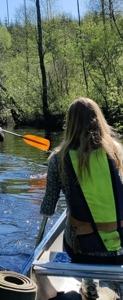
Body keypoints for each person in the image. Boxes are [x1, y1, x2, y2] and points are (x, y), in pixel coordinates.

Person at [40, 97, 123, 265]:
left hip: (82, 249)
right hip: (120, 245)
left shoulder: (59, 158)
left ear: (70, 124)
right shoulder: (116, 151)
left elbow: (49, 207)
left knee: (69, 228)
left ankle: (85, 282)